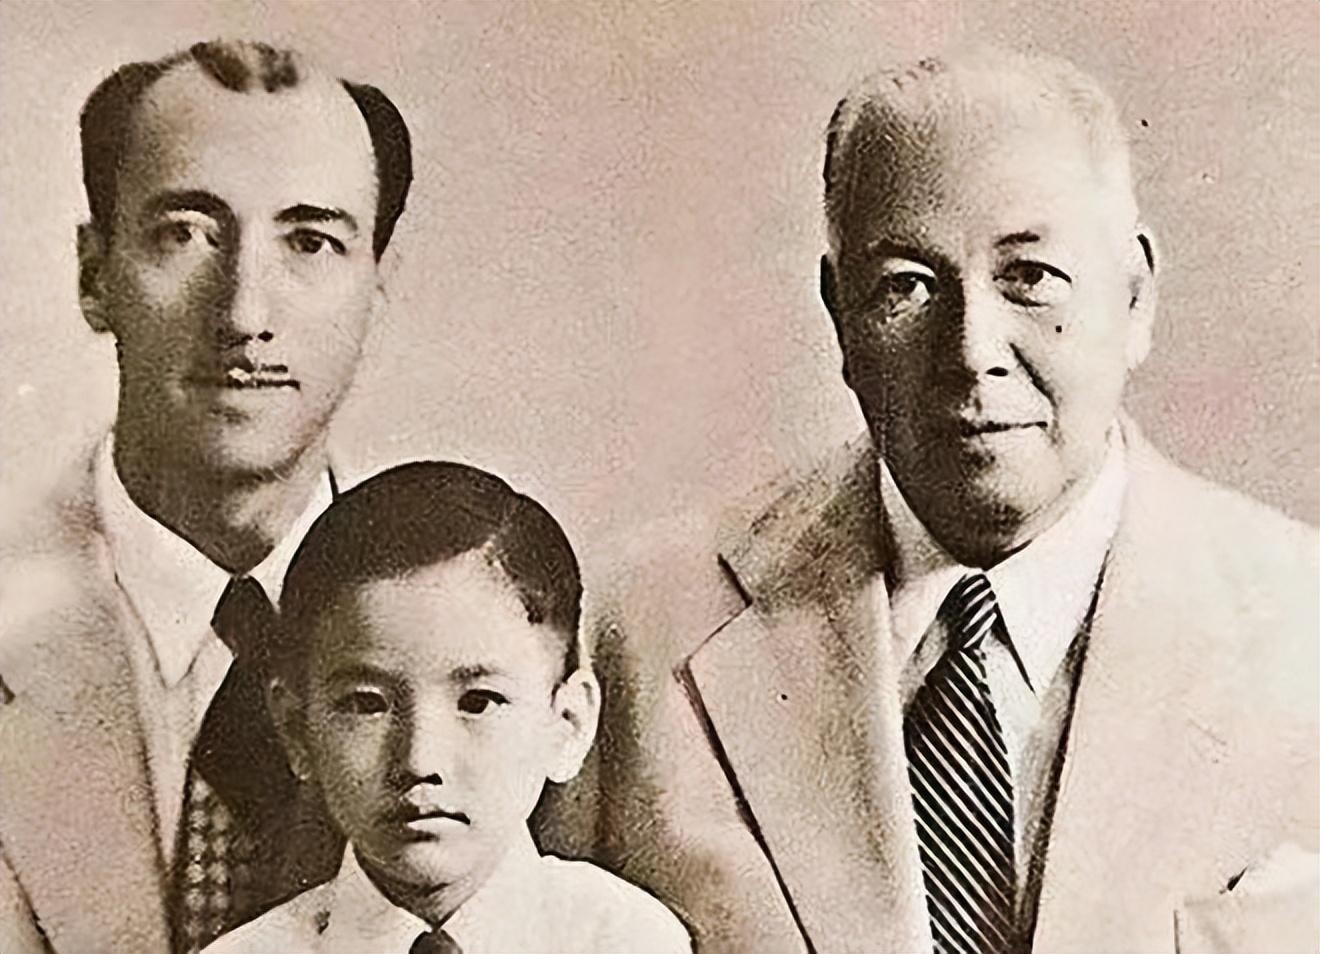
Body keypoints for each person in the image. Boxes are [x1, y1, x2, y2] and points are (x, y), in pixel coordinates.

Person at [545, 48, 1320, 953]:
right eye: (906, 287)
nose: (972, 352)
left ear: (1135, 296)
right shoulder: (634, 635)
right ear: (840, 314)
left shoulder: (1301, 626)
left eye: (1029, 277)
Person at [0, 40, 412, 954]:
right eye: (185, 233)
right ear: (95, 276)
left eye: (310, 241)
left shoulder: (504, 652)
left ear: (377, 290)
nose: (244, 314)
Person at [200, 461, 691, 954]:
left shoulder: (625, 940)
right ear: (297, 730)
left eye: (479, 701)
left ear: (568, 724)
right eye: (367, 704)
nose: (420, 762)